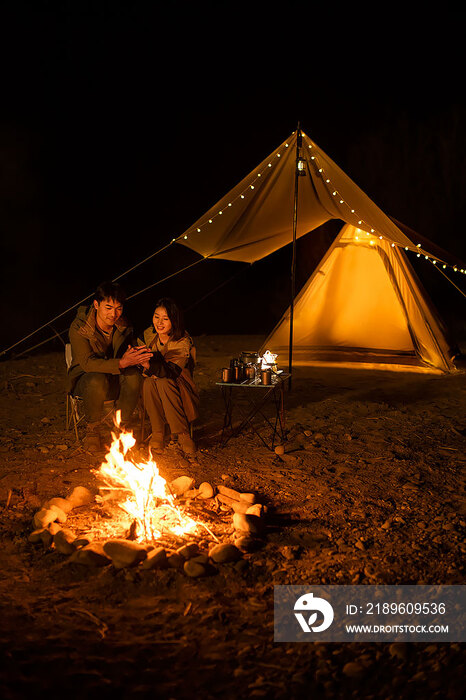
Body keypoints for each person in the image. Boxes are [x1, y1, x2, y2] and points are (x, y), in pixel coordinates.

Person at [67, 281, 153, 452]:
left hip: (114, 379)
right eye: (108, 308)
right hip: (85, 382)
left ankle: (121, 428)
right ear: (96, 305)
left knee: (133, 376)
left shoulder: (123, 326)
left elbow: (128, 353)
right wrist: (121, 363)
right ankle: (93, 430)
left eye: (118, 308)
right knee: (95, 378)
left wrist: (138, 356)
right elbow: (87, 363)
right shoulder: (80, 327)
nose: (114, 314)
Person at [140, 298, 199, 455]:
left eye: (165, 318)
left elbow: (171, 371)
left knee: (163, 382)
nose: (159, 322)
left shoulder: (182, 341)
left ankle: (182, 433)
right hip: (155, 381)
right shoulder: (149, 335)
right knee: (148, 383)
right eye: (156, 316)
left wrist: (148, 366)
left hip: (180, 385)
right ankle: (158, 431)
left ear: (174, 320)